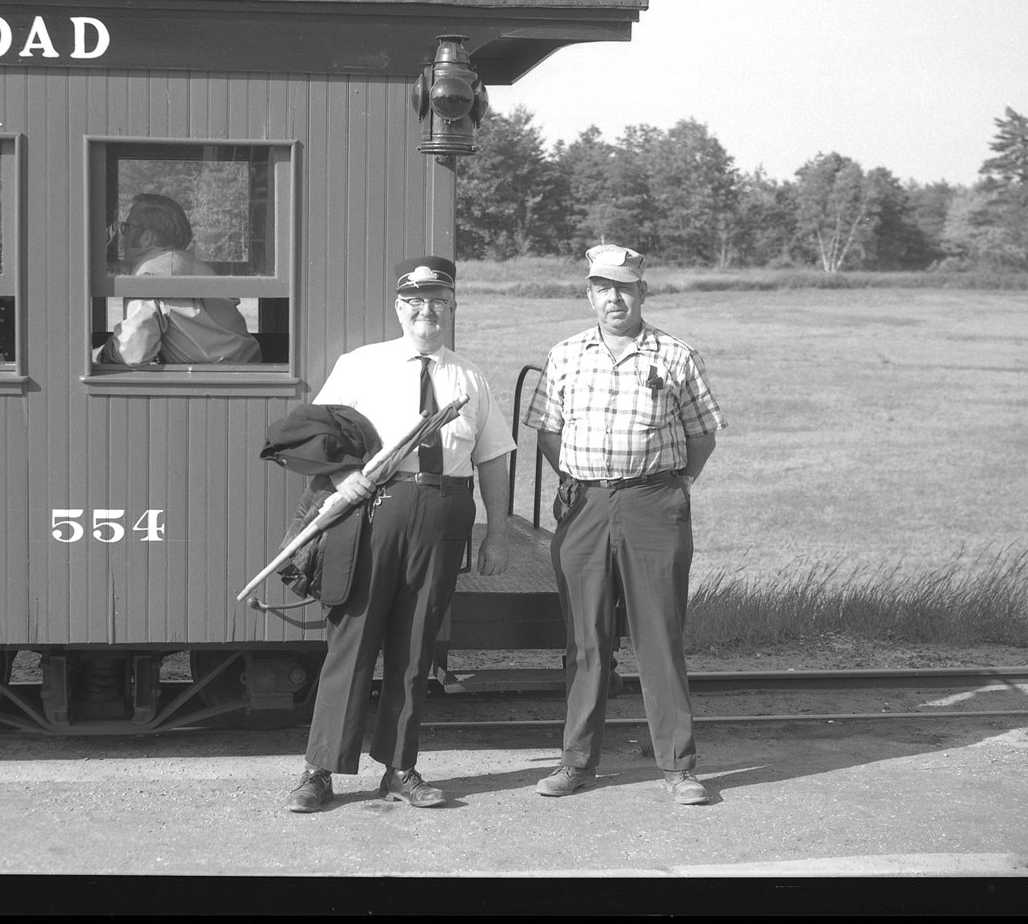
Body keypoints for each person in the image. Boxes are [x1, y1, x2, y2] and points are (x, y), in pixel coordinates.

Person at [285, 255, 515, 814]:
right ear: (398, 308)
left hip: (442, 513)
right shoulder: (362, 364)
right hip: (372, 513)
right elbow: (319, 436)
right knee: (354, 639)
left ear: (452, 307)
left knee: (415, 648)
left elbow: (493, 460)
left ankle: (400, 768)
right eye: (414, 302)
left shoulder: (471, 377)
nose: (426, 312)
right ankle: (320, 771)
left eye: (437, 301)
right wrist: (348, 477)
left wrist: (498, 534)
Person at [521, 244, 726, 806]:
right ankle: (576, 762)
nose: (614, 298)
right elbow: (547, 430)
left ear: (642, 292)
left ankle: (679, 768)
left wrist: (674, 484)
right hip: (585, 506)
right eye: (601, 288)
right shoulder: (564, 355)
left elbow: (703, 434)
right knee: (586, 640)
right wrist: (579, 479)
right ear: (589, 293)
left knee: (658, 637)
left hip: (653, 505)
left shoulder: (677, 355)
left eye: (624, 288)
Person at [93, 193, 263, 367]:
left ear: (147, 237)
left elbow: (133, 352)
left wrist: (101, 354)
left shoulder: (151, 271)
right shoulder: (183, 263)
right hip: (243, 369)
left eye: (126, 227)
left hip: (216, 377)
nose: (122, 234)